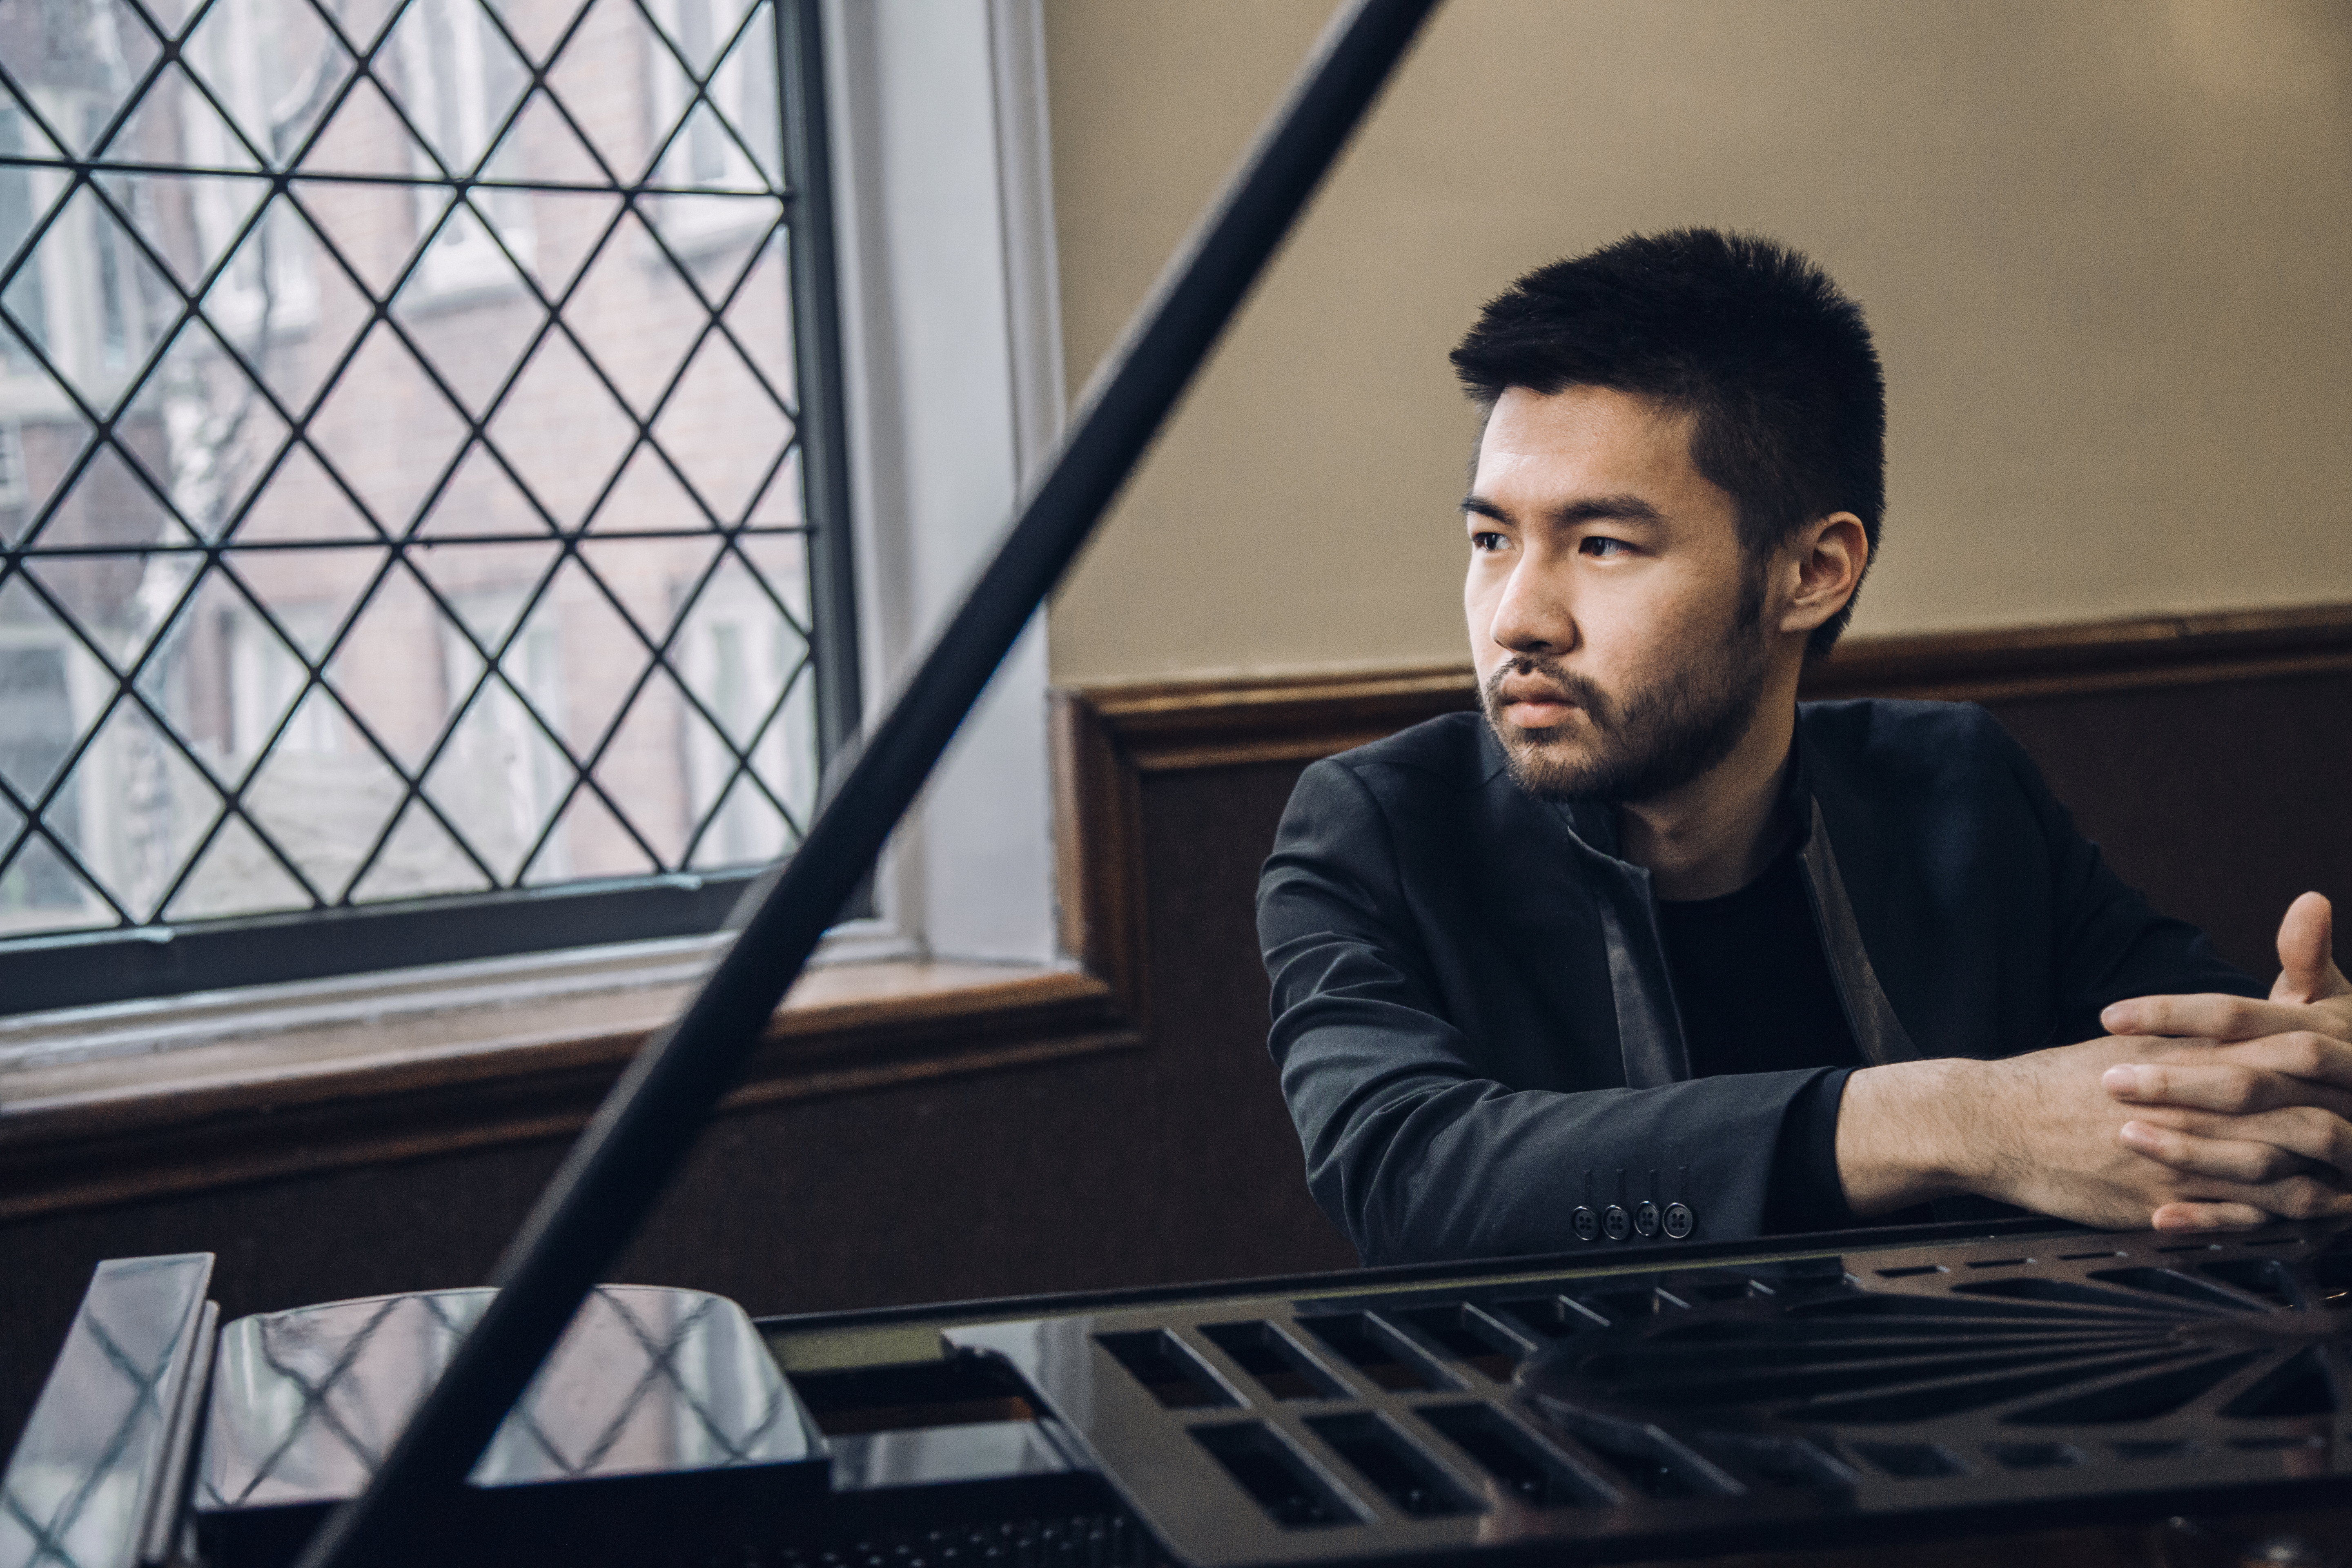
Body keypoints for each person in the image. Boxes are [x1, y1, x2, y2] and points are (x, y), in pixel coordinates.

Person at [1256, 229, 2352, 1267]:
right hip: (1560, 1447)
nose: (1518, 618)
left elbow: (2204, 1077)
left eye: (1600, 544)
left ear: (1813, 572)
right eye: (1492, 540)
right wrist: (1953, 1119)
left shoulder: (1955, 786)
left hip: (1963, 1434)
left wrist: (2298, 1074)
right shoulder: (1378, 827)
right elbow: (1410, 1177)